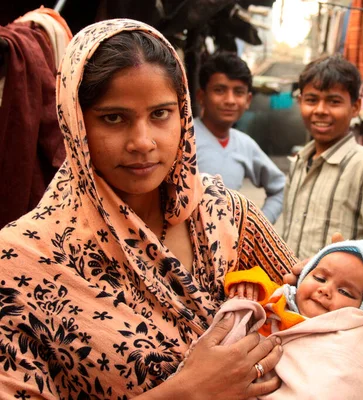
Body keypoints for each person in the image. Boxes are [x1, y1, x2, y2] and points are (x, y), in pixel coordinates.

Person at [0, 19, 299, 400]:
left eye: (160, 114)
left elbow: (306, 320)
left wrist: (331, 275)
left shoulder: (230, 216)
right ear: (76, 123)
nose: (142, 142)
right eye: (113, 118)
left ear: (183, 114)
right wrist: (186, 392)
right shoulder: (20, 262)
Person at [190, 238, 363, 399]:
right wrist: (249, 285)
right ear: (302, 277)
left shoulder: (351, 339)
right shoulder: (282, 300)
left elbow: (341, 384)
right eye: (319, 278)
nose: (325, 290)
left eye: (344, 291)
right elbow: (250, 286)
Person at [282, 54, 363, 260]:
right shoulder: (299, 162)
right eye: (311, 100)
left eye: (334, 102)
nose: (320, 110)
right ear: (300, 102)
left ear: (355, 107)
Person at [194, 52, 285, 224]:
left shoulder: (245, 144)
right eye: (219, 90)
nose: (230, 100)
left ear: (248, 100)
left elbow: (280, 187)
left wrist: (258, 227)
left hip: (229, 248)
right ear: (201, 96)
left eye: (238, 92)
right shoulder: (182, 139)